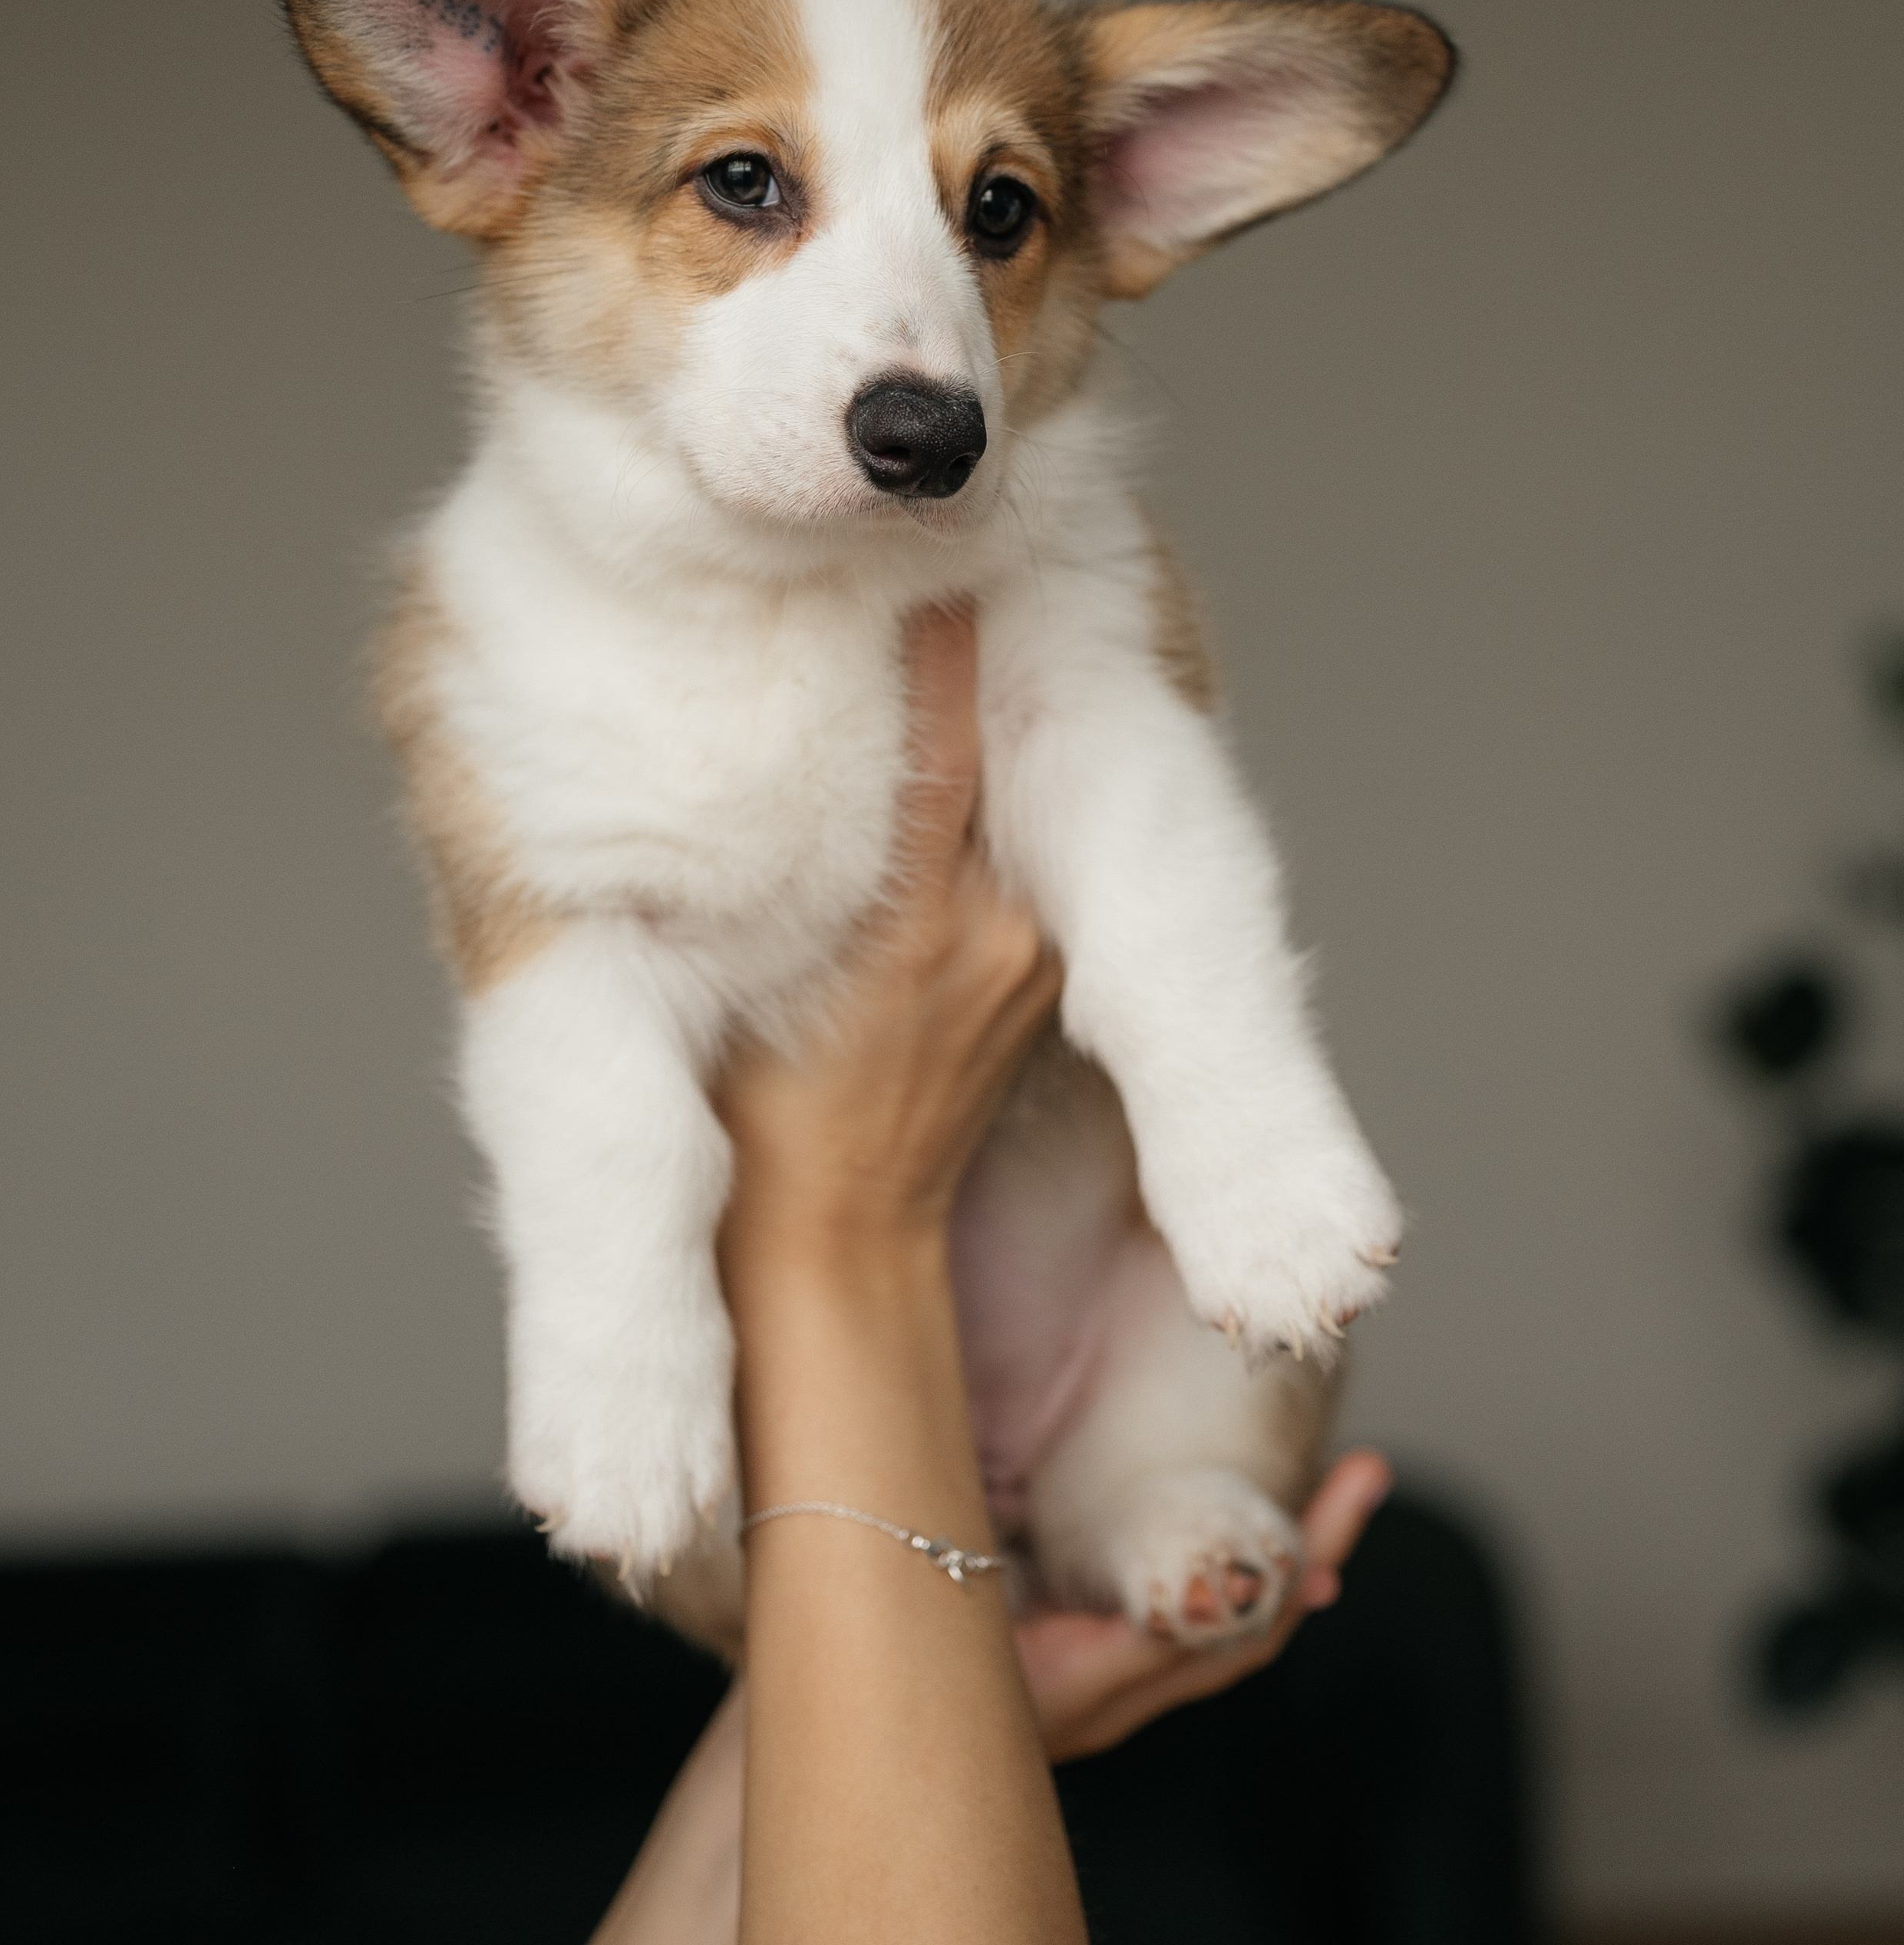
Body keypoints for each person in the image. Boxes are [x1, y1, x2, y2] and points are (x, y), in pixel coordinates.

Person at [594, 609, 1392, 1945]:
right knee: (653, 1404)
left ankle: (1149, 1506)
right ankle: (1139, 1523)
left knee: (1235, 1302)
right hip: (783, 1385)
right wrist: (843, 1209)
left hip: (1092, 1305)